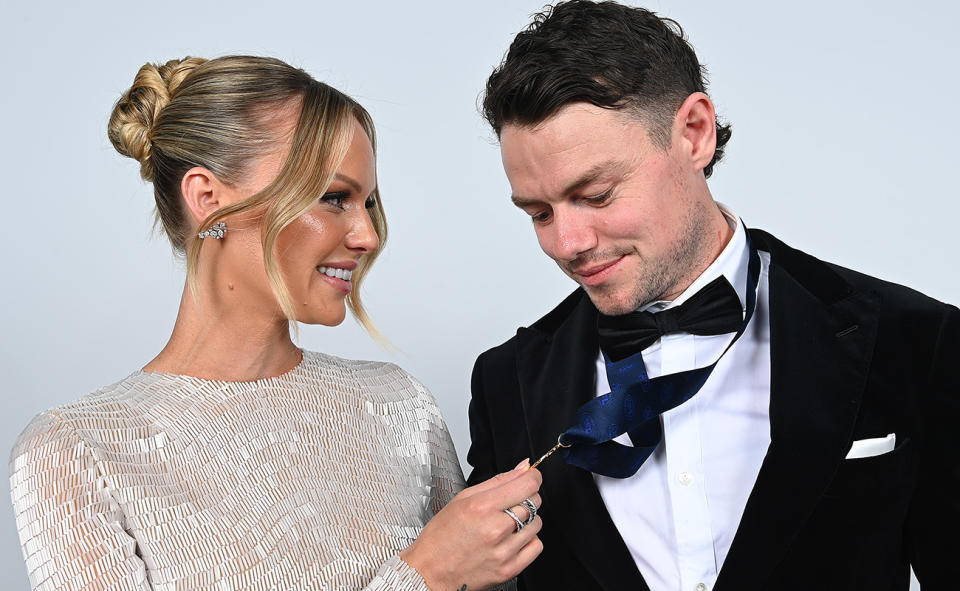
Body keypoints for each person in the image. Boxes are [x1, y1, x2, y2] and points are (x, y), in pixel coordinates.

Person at [466, 1, 959, 590]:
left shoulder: (914, 340)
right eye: (539, 213)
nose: (568, 243)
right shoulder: (506, 383)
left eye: (596, 195)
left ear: (694, 133)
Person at [9, 55, 543, 591]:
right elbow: (437, 574)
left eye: (368, 201)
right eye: (333, 197)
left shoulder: (399, 406)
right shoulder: (77, 451)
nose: (367, 235)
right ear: (208, 199)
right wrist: (423, 579)